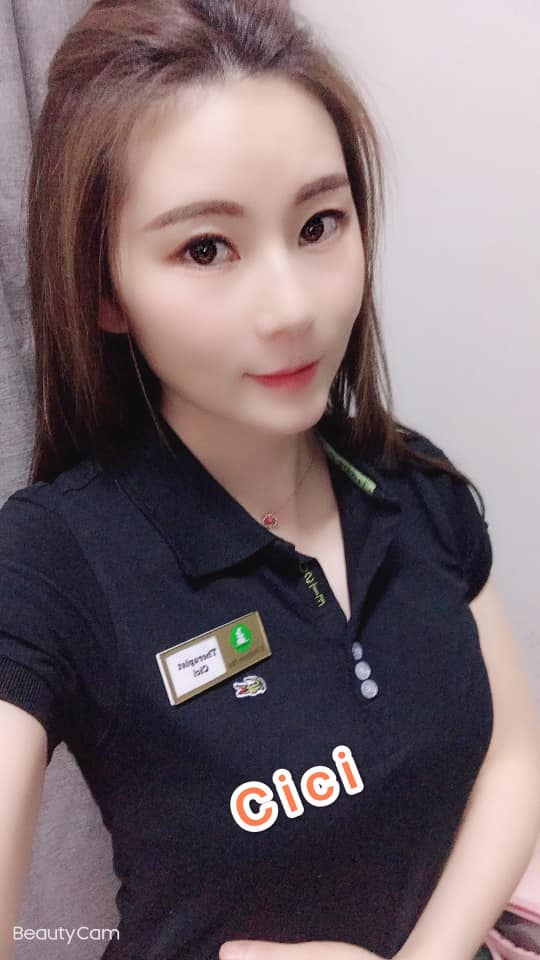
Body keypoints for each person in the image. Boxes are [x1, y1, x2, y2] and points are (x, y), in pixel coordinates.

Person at [1, 2, 539, 960]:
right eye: (206, 248)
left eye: (319, 223)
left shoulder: (415, 485)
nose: (292, 309)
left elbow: (511, 758)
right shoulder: (54, 560)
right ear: (105, 288)